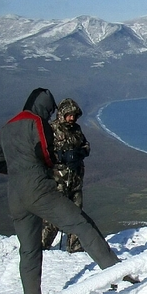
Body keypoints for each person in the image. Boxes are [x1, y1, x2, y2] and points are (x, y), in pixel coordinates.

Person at [0, 88, 134, 294]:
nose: (49, 114)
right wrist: (38, 168)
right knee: (81, 223)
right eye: (49, 109)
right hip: (38, 189)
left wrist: (19, 169)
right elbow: (46, 154)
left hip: (15, 196)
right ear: (43, 106)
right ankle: (118, 273)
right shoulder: (37, 123)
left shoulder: (8, 126)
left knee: (29, 250)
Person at [41, 98, 91, 253]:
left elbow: (86, 145)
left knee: (77, 213)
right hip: (58, 181)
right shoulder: (51, 129)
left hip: (75, 181)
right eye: (69, 115)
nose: (72, 118)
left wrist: (80, 153)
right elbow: (43, 152)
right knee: (54, 215)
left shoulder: (76, 129)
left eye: (74, 115)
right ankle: (43, 244)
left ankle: (75, 245)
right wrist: (61, 156)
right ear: (62, 114)